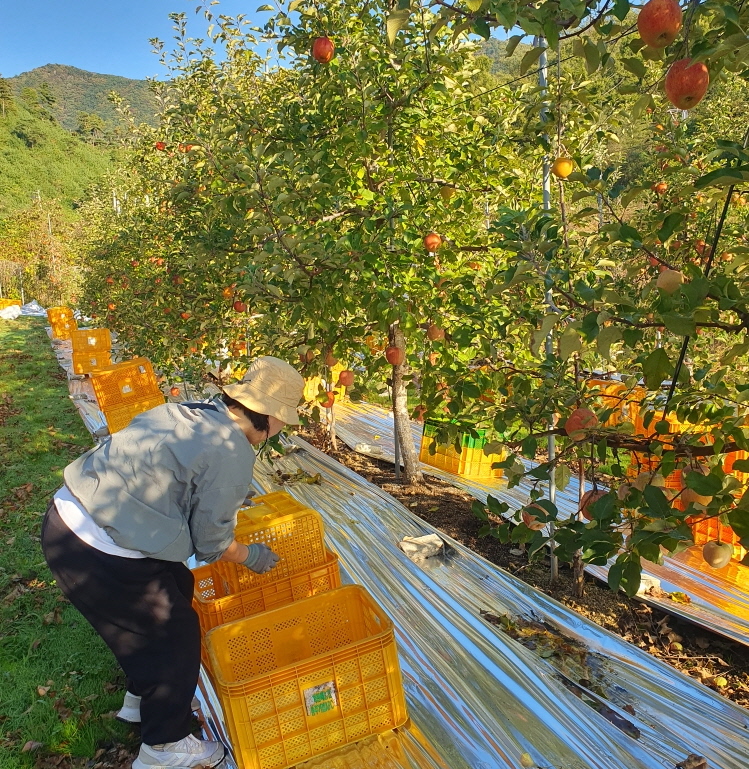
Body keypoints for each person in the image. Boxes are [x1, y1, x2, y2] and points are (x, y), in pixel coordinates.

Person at [41, 356, 304, 769]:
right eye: (286, 419)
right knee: (175, 634)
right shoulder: (232, 452)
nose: (284, 427)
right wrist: (249, 554)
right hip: (97, 548)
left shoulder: (186, 411)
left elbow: (175, 473)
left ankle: (140, 701)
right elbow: (213, 543)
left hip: (67, 518)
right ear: (270, 417)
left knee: (178, 585)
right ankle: (164, 746)